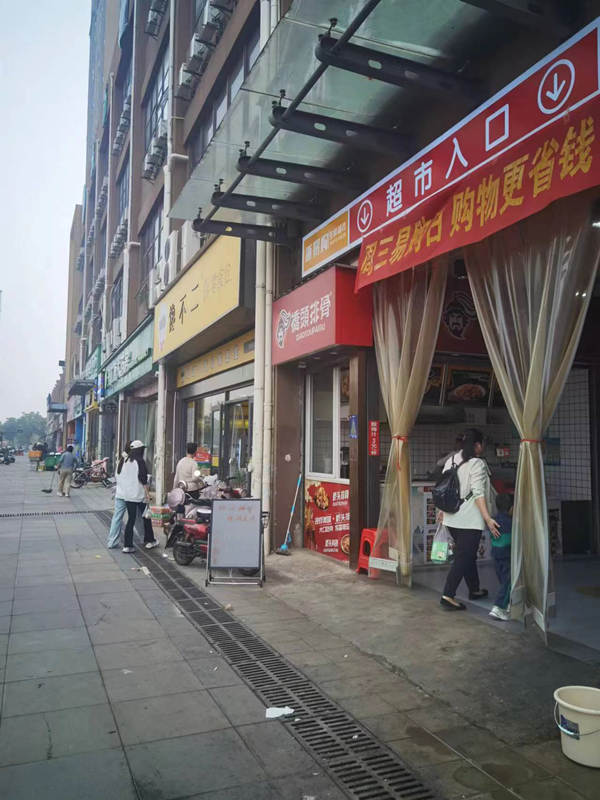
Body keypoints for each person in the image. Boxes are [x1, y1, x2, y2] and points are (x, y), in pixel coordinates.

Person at [440, 428, 500, 611]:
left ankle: (474, 589)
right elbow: (478, 493)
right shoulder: (477, 463)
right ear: (477, 445)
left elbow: (442, 487)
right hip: (469, 520)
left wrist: (441, 511)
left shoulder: (451, 460)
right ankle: (448, 595)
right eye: (482, 443)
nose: (483, 447)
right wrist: (488, 519)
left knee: (467, 555)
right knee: (464, 556)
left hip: (451, 518)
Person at [116, 440, 158, 553]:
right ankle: (150, 540)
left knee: (131, 519)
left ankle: (127, 546)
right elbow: (143, 479)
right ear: (140, 450)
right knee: (146, 518)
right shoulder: (140, 461)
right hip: (139, 495)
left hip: (128, 495)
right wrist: (148, 494)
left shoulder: (125, 461)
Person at [489, 493, 513, 621]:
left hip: (496, 556)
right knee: (508, 582)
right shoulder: (511, 522)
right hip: (507, 557)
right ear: (511, 508)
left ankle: (508, 604)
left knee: (504, 582)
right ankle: (498, 607)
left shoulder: (493, 520)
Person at [106, 442, 131, 549]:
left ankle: (112, 541)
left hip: (120, 493)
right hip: (129, 495)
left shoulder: (121, 460)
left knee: (116, 518)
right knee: (137, 517)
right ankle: (144, 537)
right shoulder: (131, 461)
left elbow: (117, 477)